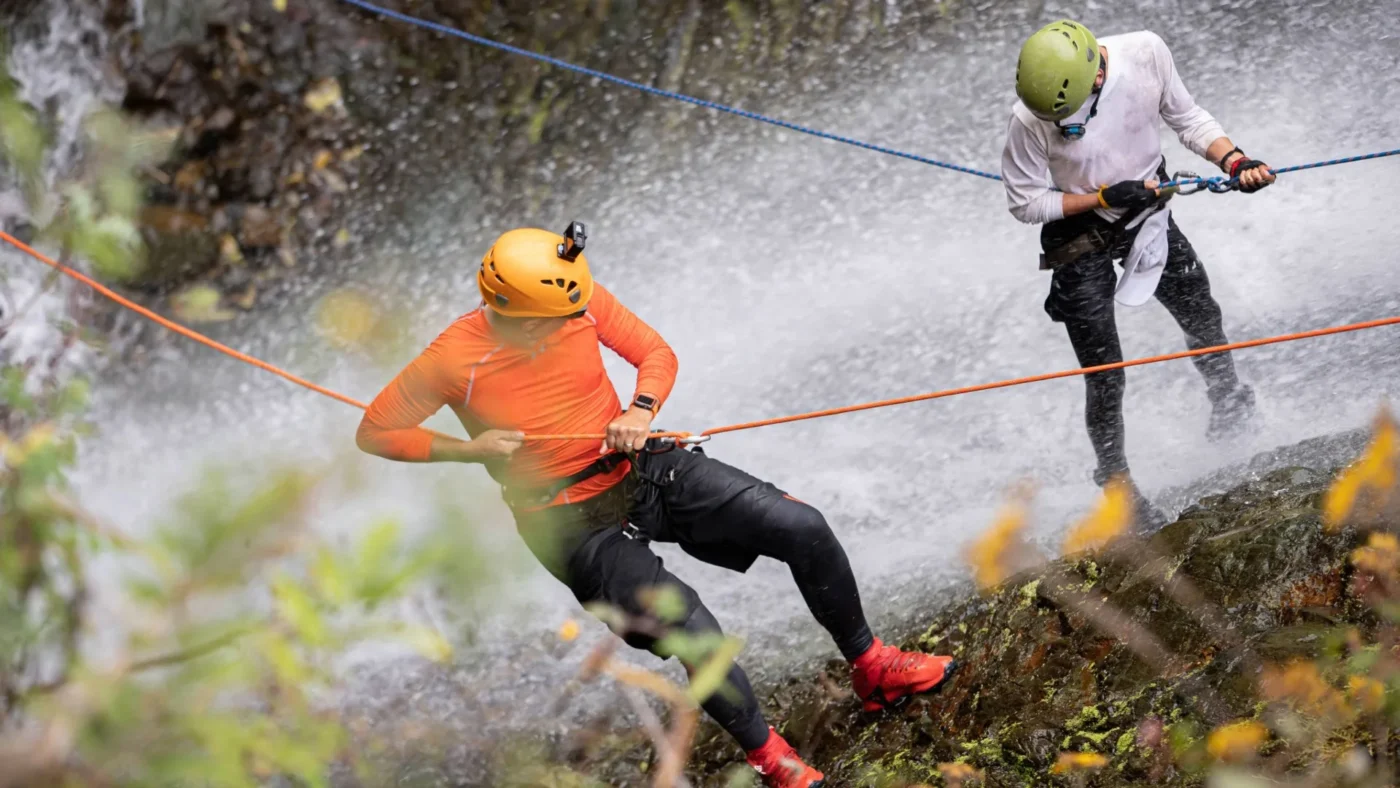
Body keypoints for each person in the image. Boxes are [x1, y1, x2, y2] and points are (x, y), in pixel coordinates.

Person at [356, 224, 956, 788]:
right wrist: (470, 450)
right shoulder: (452, 359)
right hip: (564, 521)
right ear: (510, 309)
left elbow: (654, 352)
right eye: (555, 319)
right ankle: (770, 758)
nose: (571, 322)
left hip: (639, 468)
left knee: (801, 526)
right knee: (693, 630)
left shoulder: (580, 301)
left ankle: (872, 667)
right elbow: (377, 431)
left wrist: (638, 411)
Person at [1000, 19, 1274, 521]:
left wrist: (1233, 160)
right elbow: (1025, 203)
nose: (1062, 124)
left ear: (1096, 77)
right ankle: (1117, 484)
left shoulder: (1145, 54)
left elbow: (1187, 119)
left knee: (1203, 315)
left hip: (1148, 211)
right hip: (1080, 234)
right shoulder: (1030, 116)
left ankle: (1230, 399)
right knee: (1106, 372)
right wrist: (1101, 196)